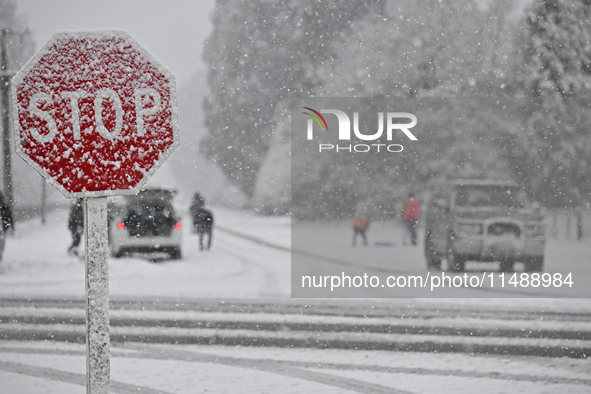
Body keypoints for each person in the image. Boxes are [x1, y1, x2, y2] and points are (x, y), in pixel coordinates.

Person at [0, 192, 14, 260]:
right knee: (2, 240)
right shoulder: (5, 205)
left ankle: (0, 254)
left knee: (2, 239)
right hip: (3, 225)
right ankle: (0, 254)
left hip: (3, 225)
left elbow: (9, 215)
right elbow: (9, 216)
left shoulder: (4, 206)